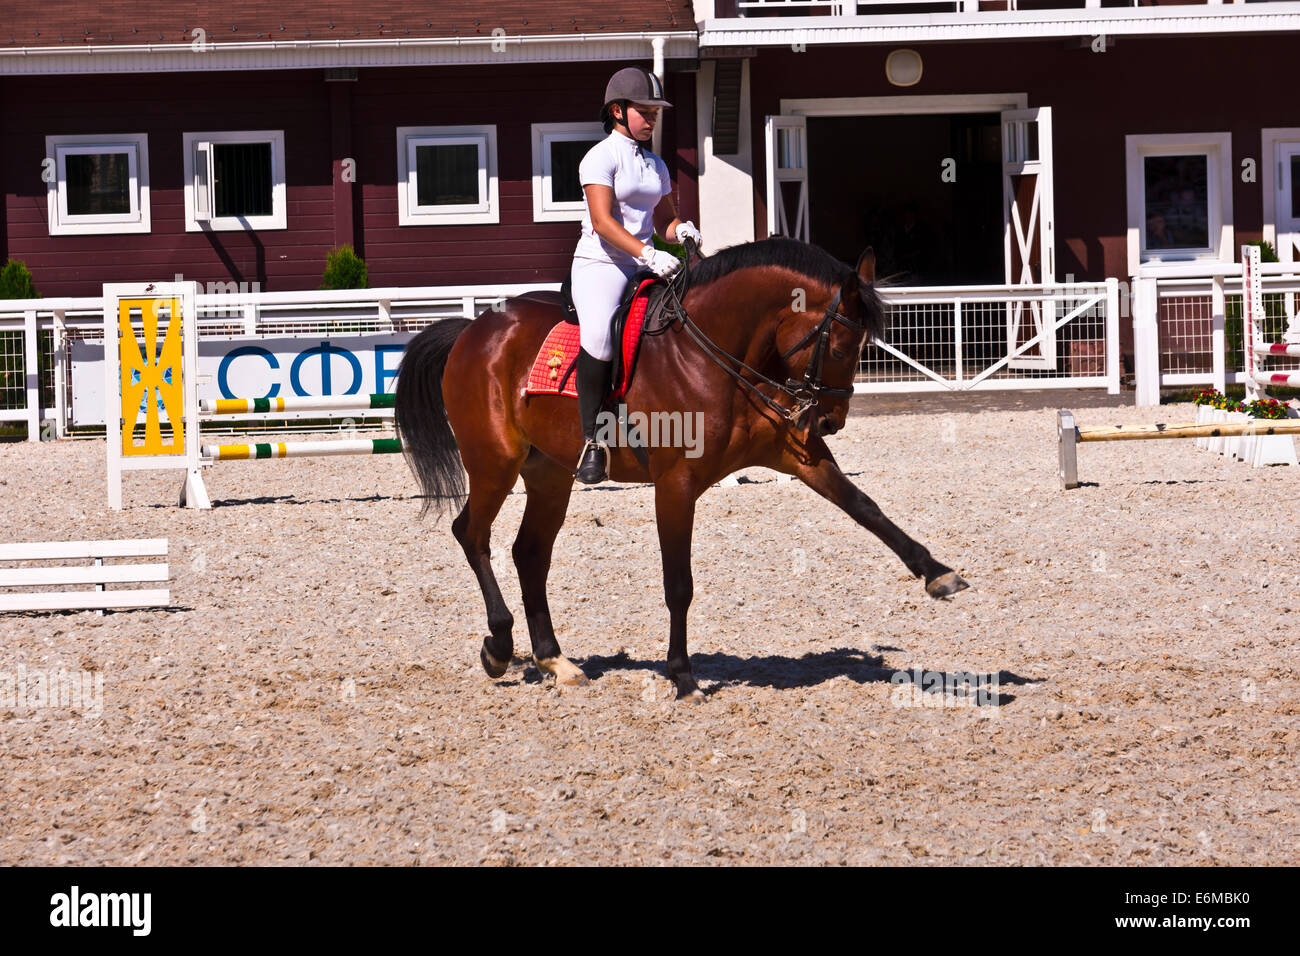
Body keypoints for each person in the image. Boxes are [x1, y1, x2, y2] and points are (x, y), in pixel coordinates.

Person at [570, 66, 702, 483]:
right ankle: (592, 441)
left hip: (645, 261)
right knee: (601, 338)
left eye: (655, 111)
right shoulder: (600, 157)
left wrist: (679, 231)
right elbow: (604, 222)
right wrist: (648, 253)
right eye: (645, 110)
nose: (652, 117)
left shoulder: (655, 164)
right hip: (602, 263)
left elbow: (663, 220)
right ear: (617, 111)